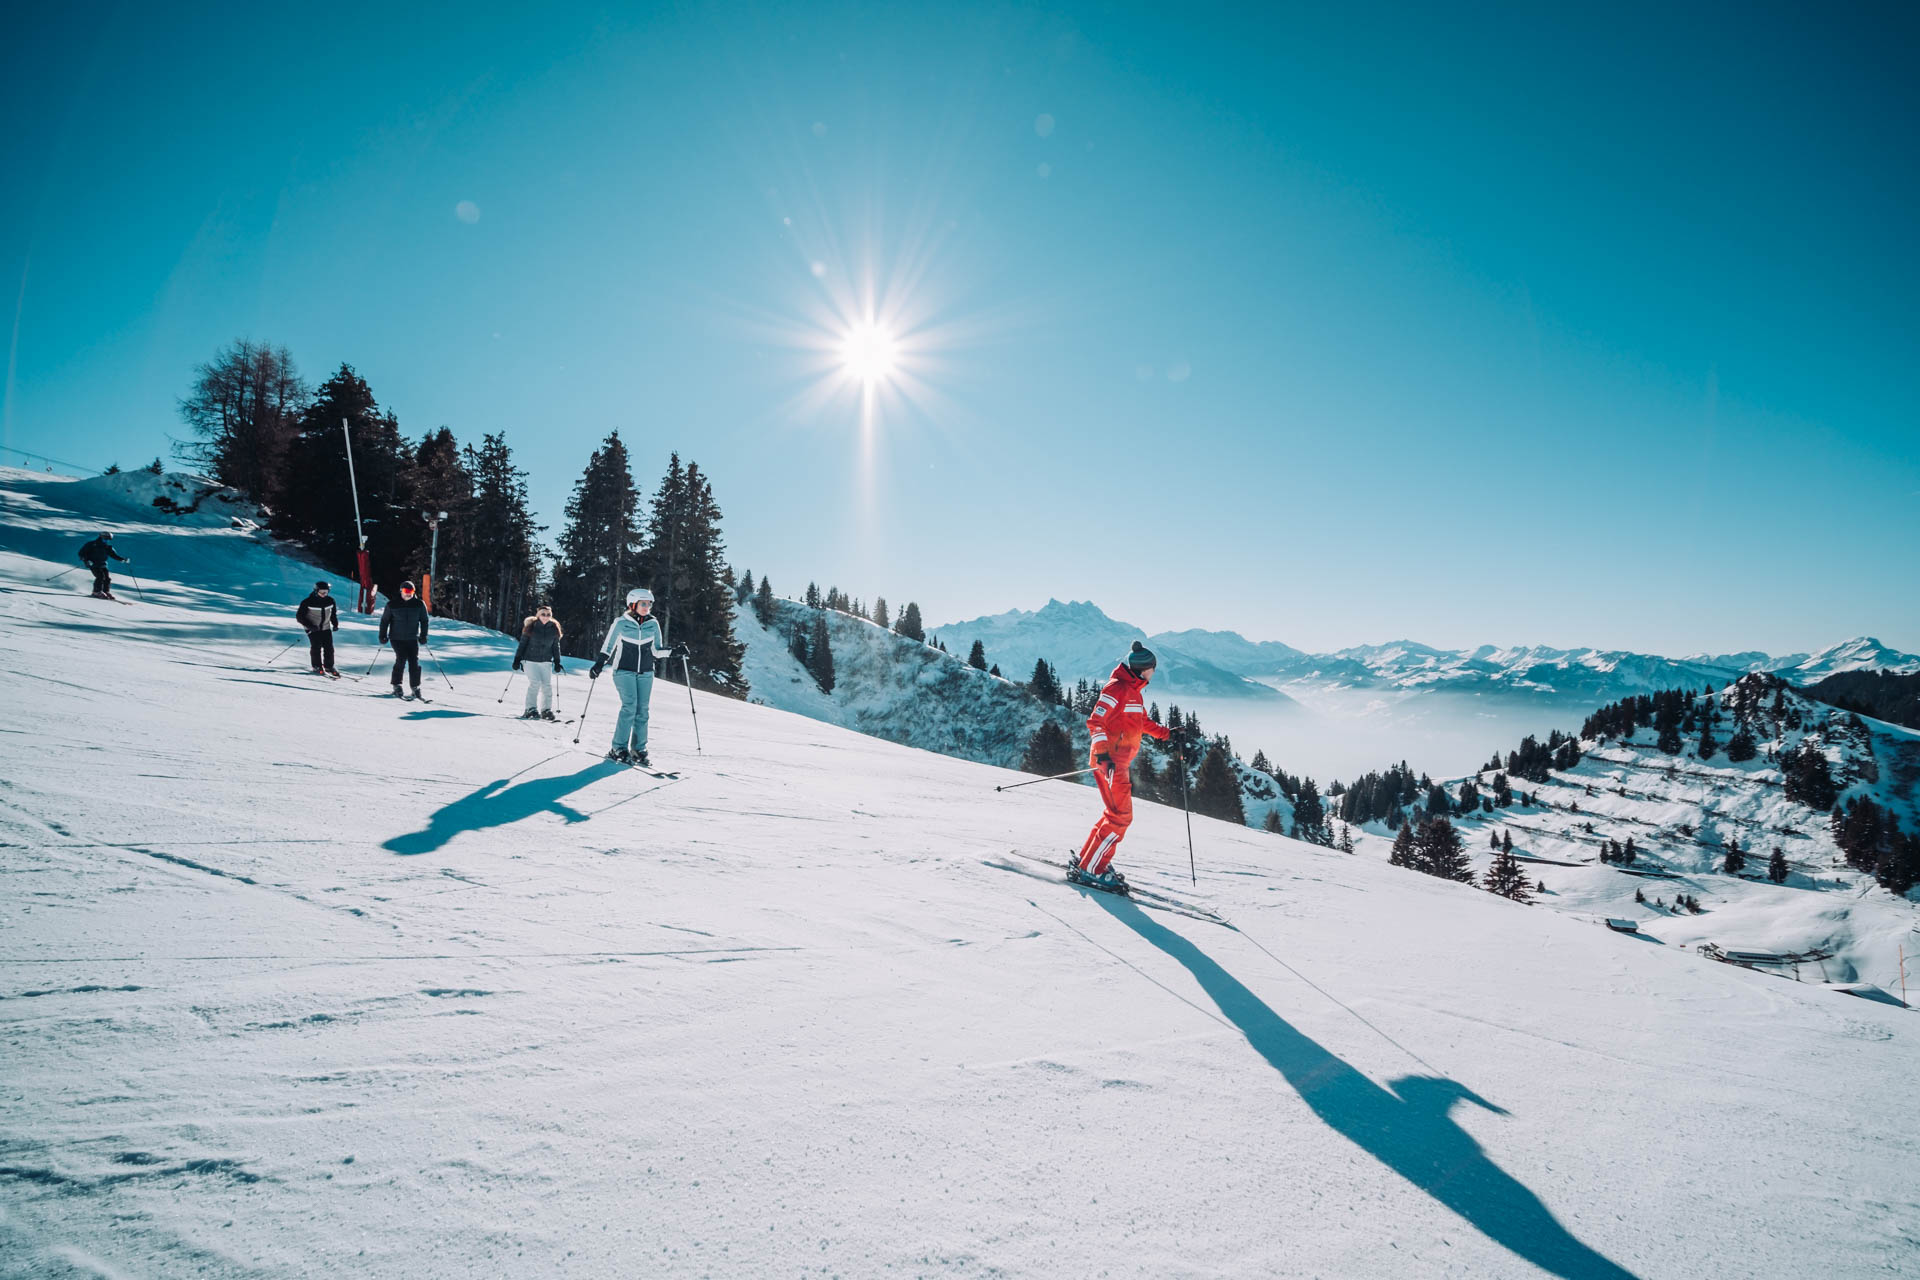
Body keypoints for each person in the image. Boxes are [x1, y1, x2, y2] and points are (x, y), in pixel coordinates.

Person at [1074, 641, 1172, 890]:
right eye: (1152, 669)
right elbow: (1096, 722)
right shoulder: (1116, 689)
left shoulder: (1133, 691)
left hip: (1117, 761)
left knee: (1114, 814)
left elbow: (1141, 722)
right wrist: (1103, 756)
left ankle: (1089, 861)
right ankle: (1091, 869)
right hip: (1110, 762)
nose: (1153, 673)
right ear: (1142, 670)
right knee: (1121, 817)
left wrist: (1168, 734)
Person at [588, 588, 686, 766]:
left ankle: (638, 749)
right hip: (624, 671)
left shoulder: (653, 624)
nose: (646, 607)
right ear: (632, 605)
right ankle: (618, 748)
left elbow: (656, 651)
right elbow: (608, 646)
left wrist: (675, 651)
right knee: (630, 706)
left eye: (648, 604)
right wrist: (599, 664)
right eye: (643, 604)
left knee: (643, 711)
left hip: (646, 672)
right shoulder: (621, 623)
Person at [512, 604, 565, 720]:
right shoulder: (531, 627)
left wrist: (557, 662)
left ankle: (546, 710)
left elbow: (556, 647)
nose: (546, 616)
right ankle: (530, 709)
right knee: (535, 683)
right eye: (543, 614)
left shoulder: (554, 629)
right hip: (530, 660)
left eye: (548, 614)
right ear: (538, 615)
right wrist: (517, 659)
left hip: (546, 662)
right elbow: (522, 644)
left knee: (547, 686)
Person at [378, 581, 430, 699]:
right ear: (401, 591)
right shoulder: (392, 605)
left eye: (411, 592)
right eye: (406, 591)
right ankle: (397, 684)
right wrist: (382, 635)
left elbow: (424, 621)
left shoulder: (419, 604)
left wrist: (423, 636)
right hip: (396, 638)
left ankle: (415, 687)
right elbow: (385, 621)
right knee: (401, 659)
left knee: (414, 662)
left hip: (412, 638)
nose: (408, 594)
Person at [296, 581, 341, 676]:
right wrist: (309, 626)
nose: (324, 594)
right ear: (316, 591)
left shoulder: (330, 600)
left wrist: (335, 624)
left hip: (326, 627)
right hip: (313, 628)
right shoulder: (308, 602)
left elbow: (332, 614)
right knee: (316, 646)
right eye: (321, 592)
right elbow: (299, 617)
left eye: (326, 592)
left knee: (329, 648)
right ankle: (317, 666)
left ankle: (329, 666)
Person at [78, 532, 128, 599]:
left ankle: (105, 591)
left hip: (103, 564)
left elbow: (113, 555)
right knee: (100, 577)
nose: (106, 540)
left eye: (108, 539)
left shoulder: (107, 547)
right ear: (101, 537)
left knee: (107, 578)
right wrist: (86, 560)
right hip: (93, 564)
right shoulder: (92, 544)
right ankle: (96, 592)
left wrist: (122, 559)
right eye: (105, 539)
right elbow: (81, 553)